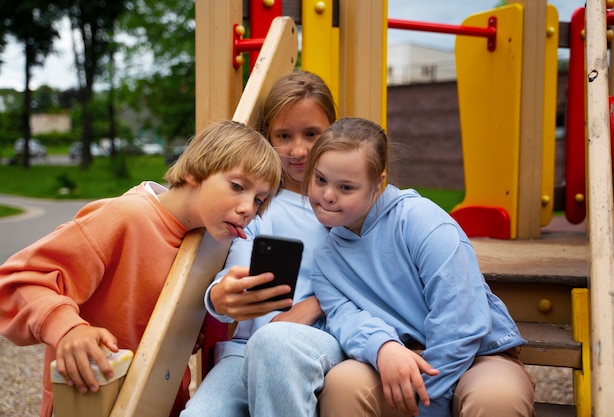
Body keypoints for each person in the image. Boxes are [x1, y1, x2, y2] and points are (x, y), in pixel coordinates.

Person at [0, 120, 282, 417]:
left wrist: (190, 329)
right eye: (238, 187)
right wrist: (68, 329)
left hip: (160, 401)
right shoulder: (126, 216)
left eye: (259, 200)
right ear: (193, 172)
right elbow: (17, 280)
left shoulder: (208, 239)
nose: (248, 207)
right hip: (91, 398)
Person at [303, 117, 536, 417]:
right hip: (400, 359)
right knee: (343, 384)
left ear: (378, 183)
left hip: (476, 356)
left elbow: (459, 315)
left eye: (346, 187)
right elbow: (346, 319)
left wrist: (431, 402)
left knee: (497, 399)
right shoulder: (325, 260)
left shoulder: (419, 219)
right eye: (320, 179)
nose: (328, 195)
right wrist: (382, 347)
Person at [181, 70, 346, 417]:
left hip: (325, 341)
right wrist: (219, 296)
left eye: (312, 134)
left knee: (276, 343)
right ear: (267, 137)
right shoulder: (256, 206)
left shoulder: (350, 203)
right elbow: (233, 272)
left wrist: (315, 304)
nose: (298, 150)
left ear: (332, 132)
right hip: (247, 348)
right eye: (283, 136)